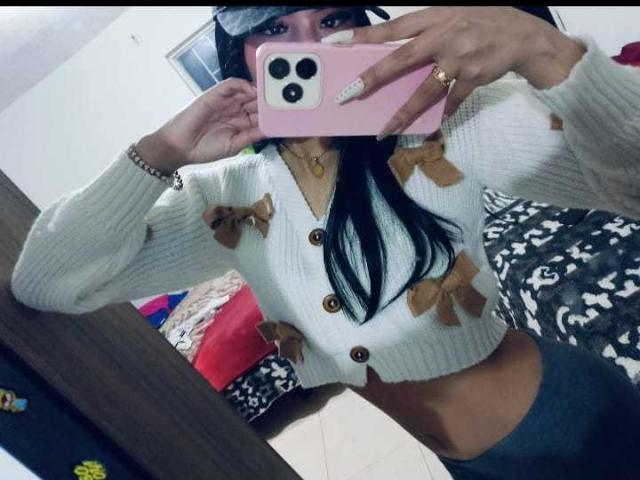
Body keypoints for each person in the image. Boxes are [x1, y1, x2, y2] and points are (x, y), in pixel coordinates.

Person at [10, 6, 640, 479]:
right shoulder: (225, 197)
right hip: (465, 463)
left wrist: (546, 51)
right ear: (241, 56)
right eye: (276, 28)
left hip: (569, 422)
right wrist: (159, 152)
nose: (315, 46)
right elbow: (46, 283)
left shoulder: (451, 124)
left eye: (334, 19)